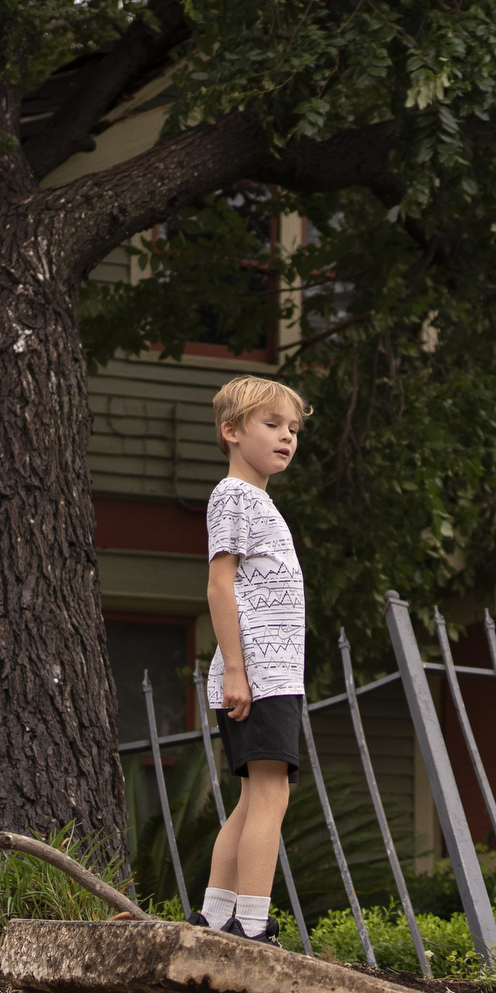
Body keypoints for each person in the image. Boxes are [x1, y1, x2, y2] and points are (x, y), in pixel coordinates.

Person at [200, 375, 309, 942]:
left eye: (293, 428)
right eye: (272, 425)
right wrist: (239, 672)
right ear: (232, 431)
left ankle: (217, 916)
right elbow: (220, 586)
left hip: (269, 672)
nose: (286, 437)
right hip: (258, 673)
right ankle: (253, 924)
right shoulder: (236, 497)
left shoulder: (257, 502)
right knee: (272, 792)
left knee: (253, 796)